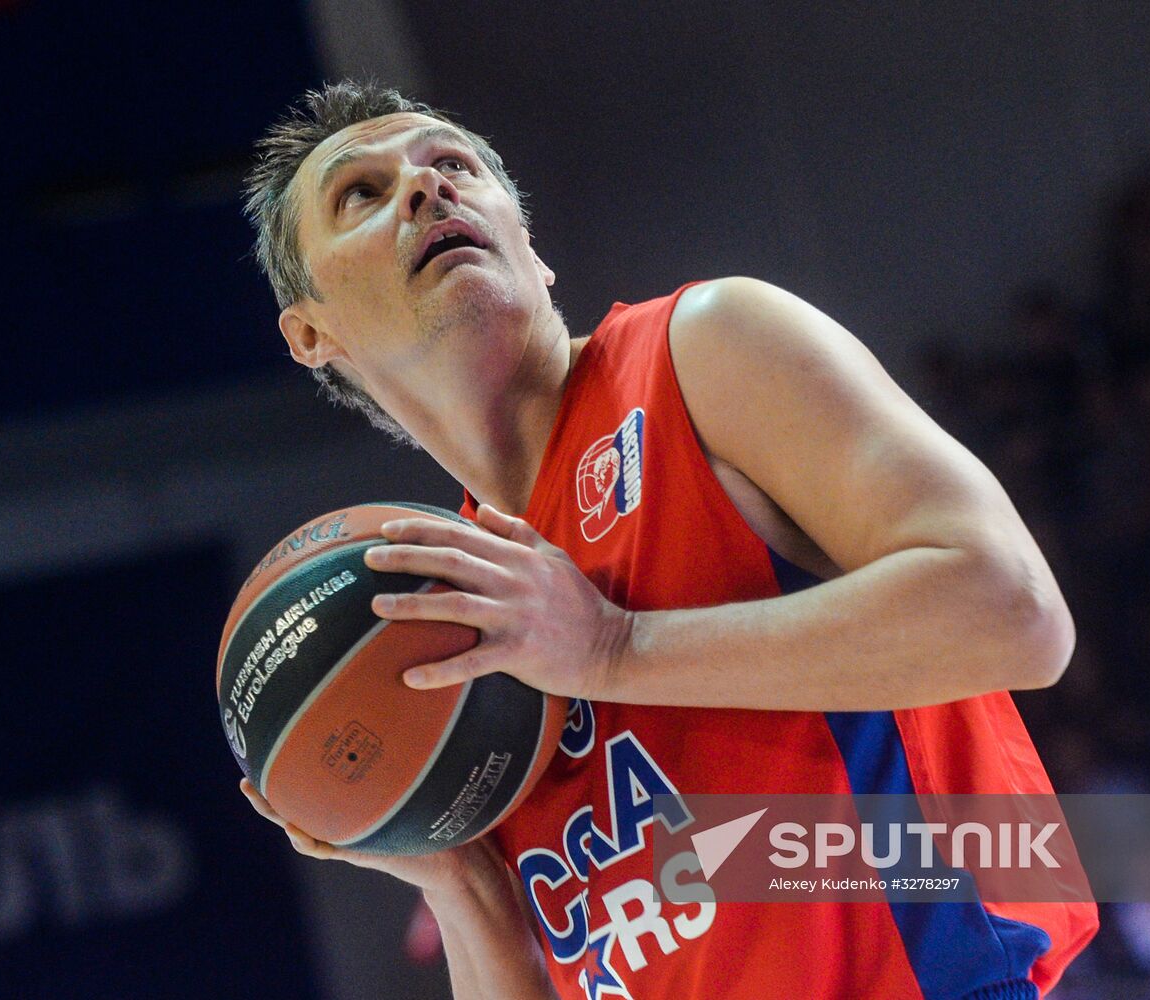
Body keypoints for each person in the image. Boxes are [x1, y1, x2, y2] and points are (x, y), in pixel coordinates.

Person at [239, 80, 1098, 999]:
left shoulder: (705, 350)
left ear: (533, 251)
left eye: (453, 164)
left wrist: (618, 648)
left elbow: (1016, 614)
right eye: (360, 194)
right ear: (311, 332)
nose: (426, 189)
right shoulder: (444, 612)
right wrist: (449, 867)